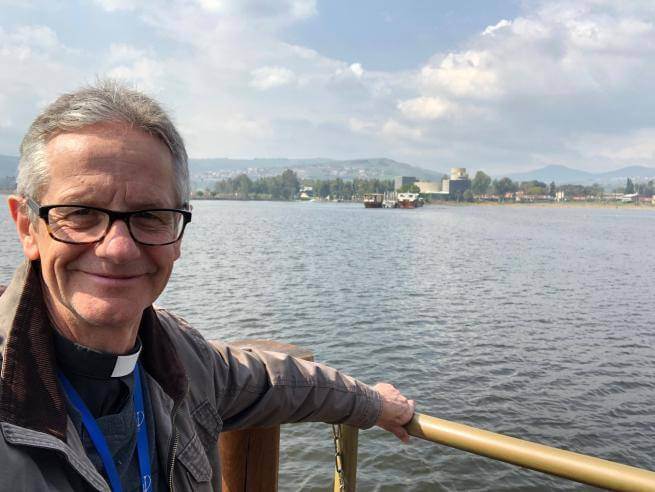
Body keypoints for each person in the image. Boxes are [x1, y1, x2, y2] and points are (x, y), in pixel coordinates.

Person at [0, 80, 415, 491]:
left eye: (150, 215)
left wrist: (374, 404)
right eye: (81, 212)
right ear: (27, 227)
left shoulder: (185, 362)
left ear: (178, 233)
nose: (118, 248)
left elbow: (282, 383)